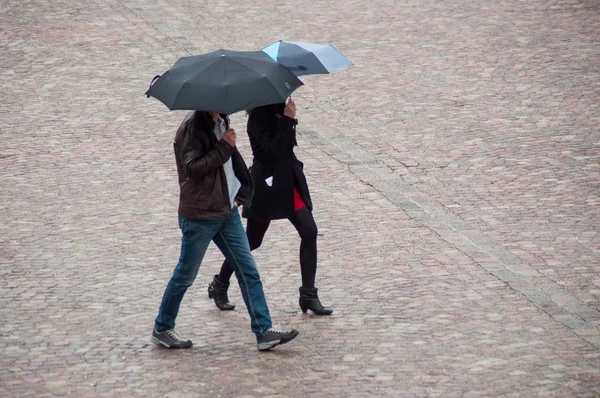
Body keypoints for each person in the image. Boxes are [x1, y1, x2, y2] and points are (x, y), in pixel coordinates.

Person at [152, 110, 299, 351]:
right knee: (186, 274)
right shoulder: (192, 127)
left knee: (248, 270)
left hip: (226, 211)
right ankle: (162, 326)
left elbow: (229, 167)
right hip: (200, 215)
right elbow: (192, 168)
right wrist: (224, 147)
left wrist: (238, 194)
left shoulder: (220, 120)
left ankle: (264, 330)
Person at [208, 99, 333, 316]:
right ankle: (220, 284)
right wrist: (287, 119)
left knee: (309, 231)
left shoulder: (278, 109)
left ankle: (308, 295)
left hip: (288, 181)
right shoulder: (256, 118)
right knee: (252, 241)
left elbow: (287, 146)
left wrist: (288, 118)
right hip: (267, 186)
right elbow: (275, 149)